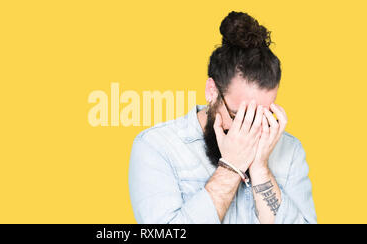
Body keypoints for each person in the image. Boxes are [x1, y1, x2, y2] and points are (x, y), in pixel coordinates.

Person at [128, 11, 317, 224]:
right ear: (212, 92)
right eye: (239, 116)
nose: (251, 129)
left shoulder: (290, 151)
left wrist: (260, 169)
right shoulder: (157, 147)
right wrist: (231, 167)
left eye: (262, 116)